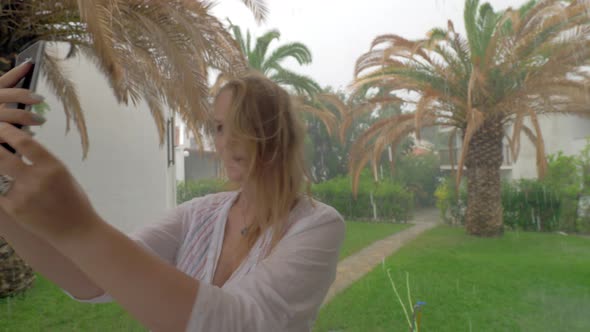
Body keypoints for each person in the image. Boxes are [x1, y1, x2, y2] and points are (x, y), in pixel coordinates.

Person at [0, 62, 345, 331]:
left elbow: (240, 324)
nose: (227, 140)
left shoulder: (318, 225)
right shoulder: (199, 214)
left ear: (278, 131)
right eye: (220, 127)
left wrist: (81, 227)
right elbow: (92, 279)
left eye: (245, 122)